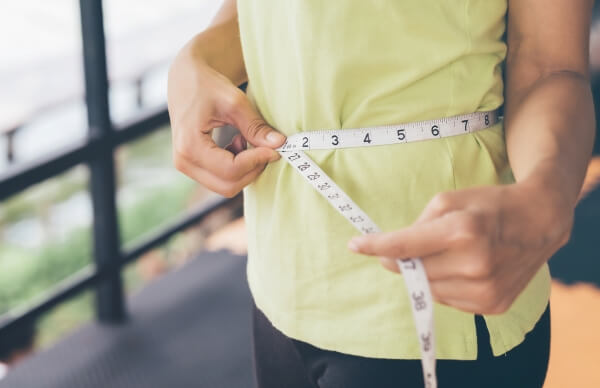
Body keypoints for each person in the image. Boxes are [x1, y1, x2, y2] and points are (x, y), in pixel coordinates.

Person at [167, 1, 596, 387]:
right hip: (281, 278)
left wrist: (548, 198)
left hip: (435, 291)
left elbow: (548, 61)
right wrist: (197, 59)